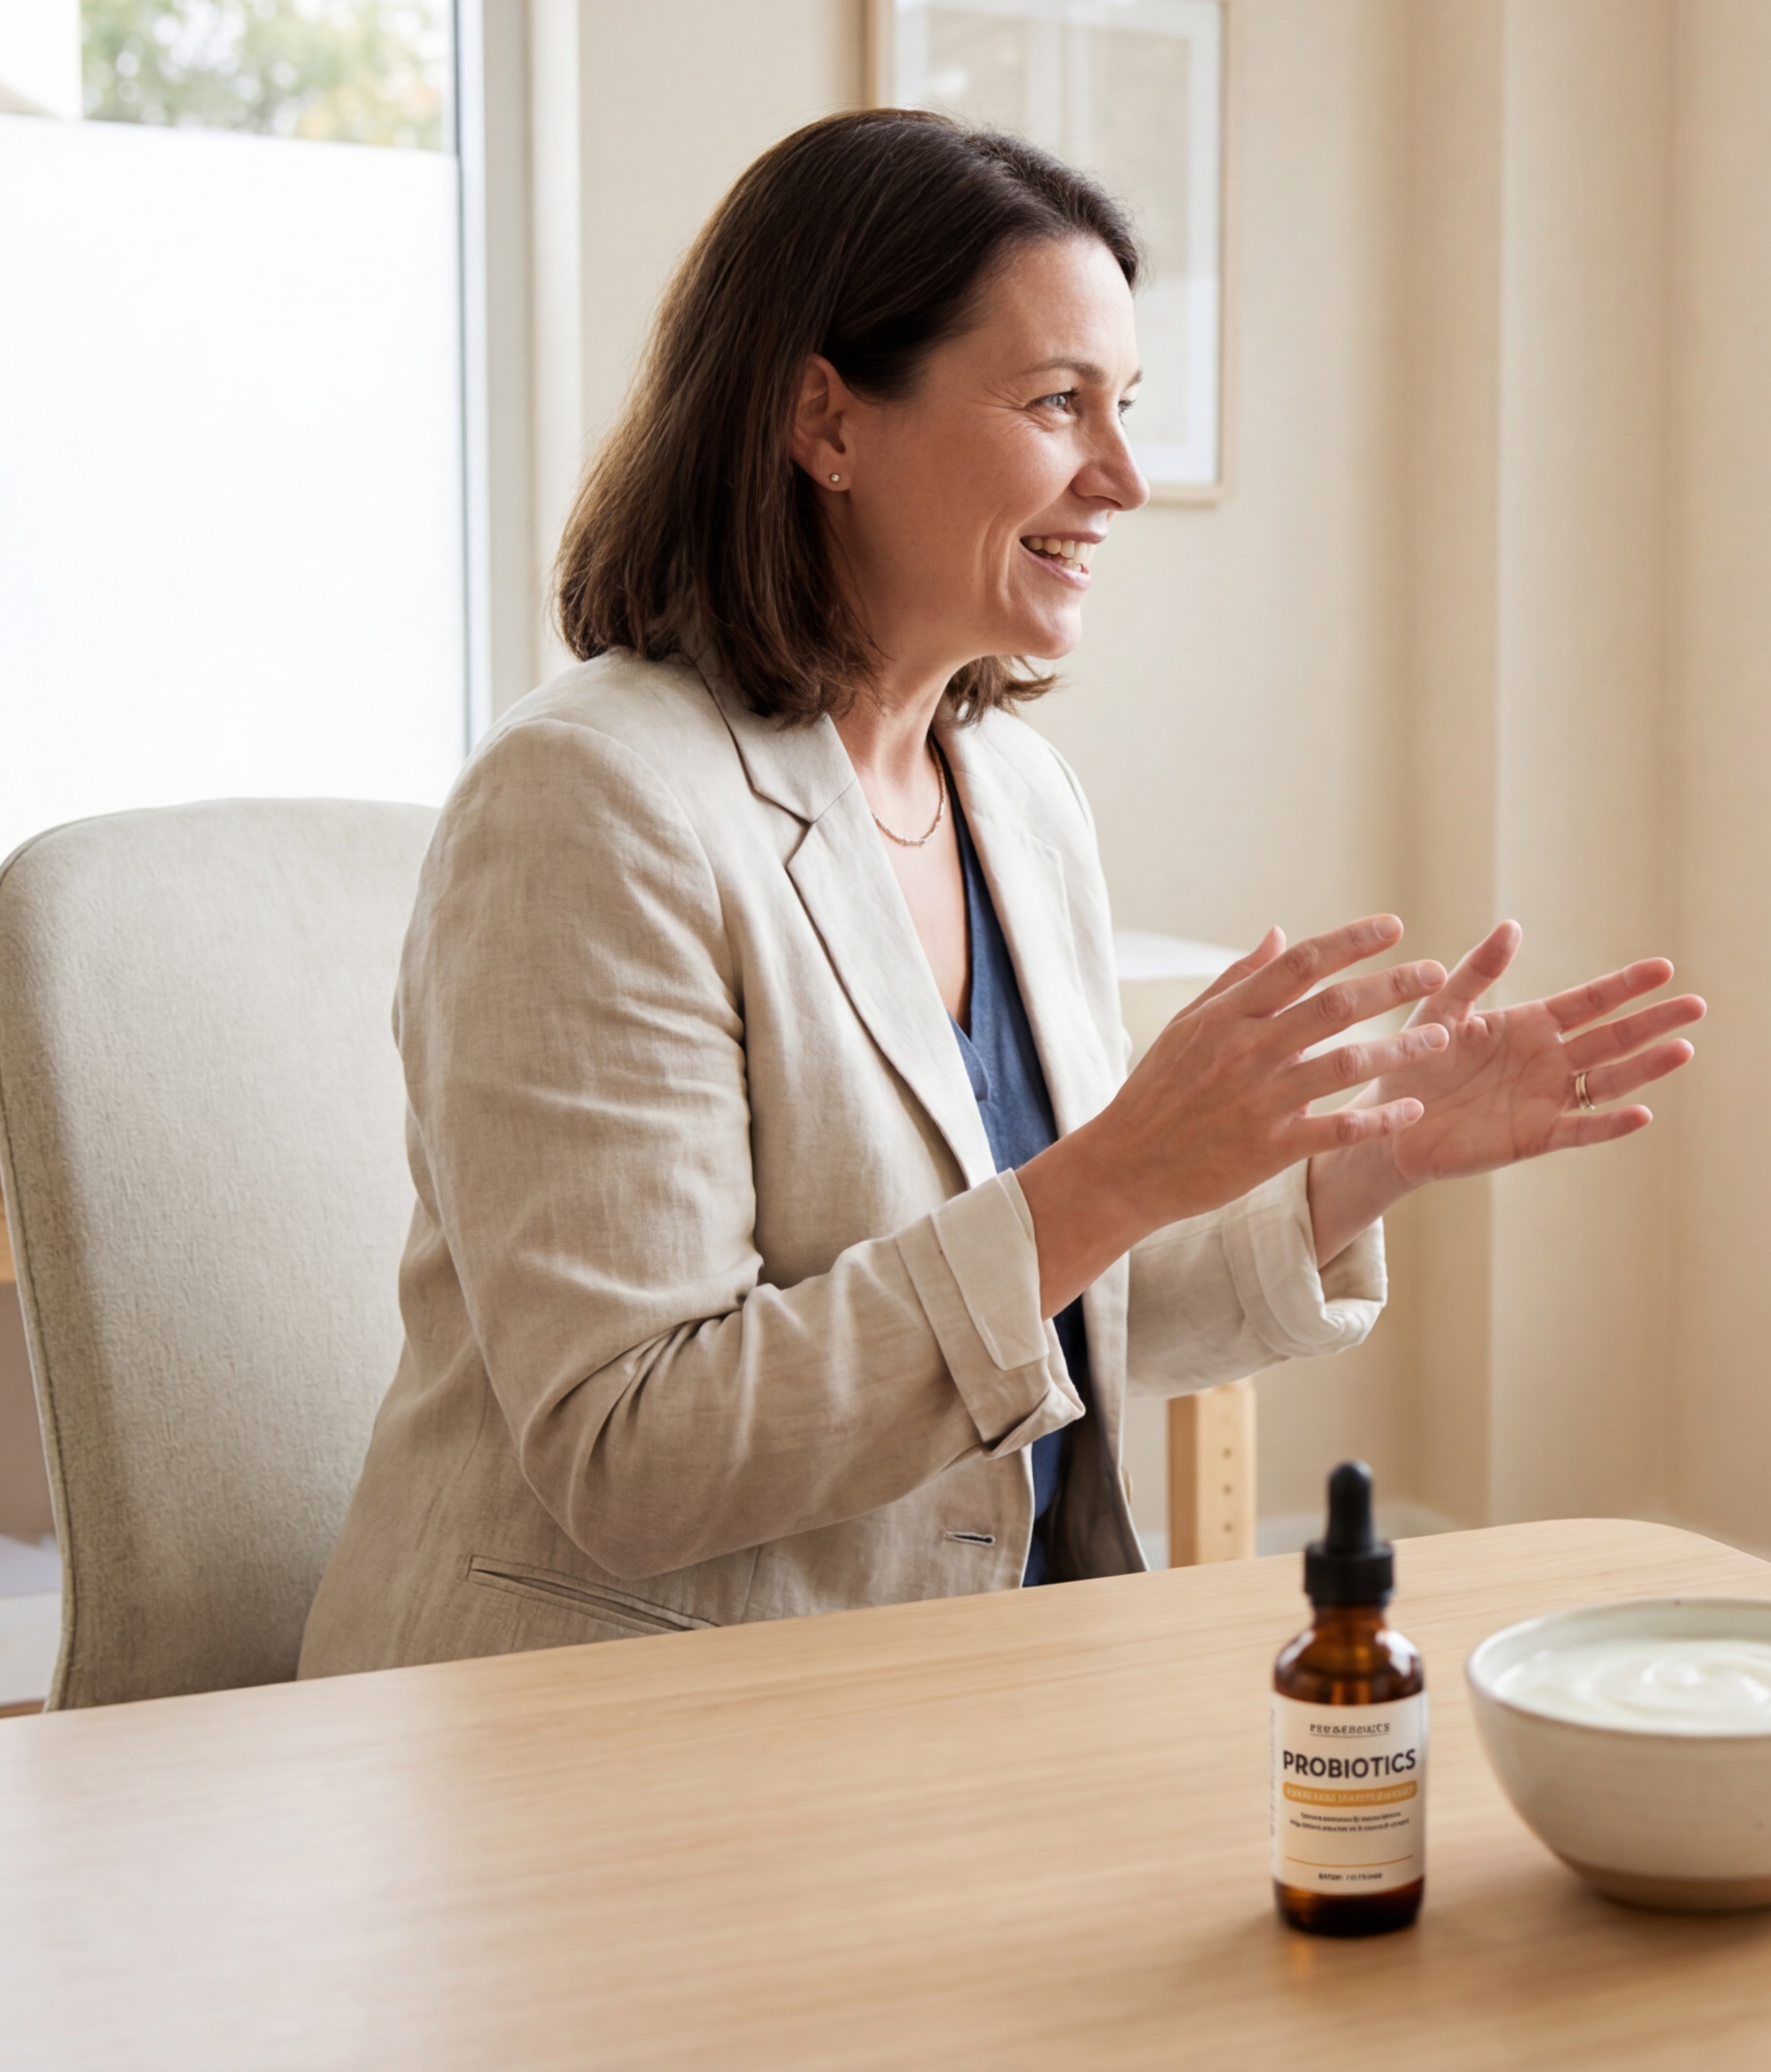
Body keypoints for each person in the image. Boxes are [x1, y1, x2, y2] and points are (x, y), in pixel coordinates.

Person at [300, 111, 1700, 1674]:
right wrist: (1107, 1177)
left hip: (970, 1680)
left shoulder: (1018, 802)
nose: (1120, 477)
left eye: (1128, 408)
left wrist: (1351, 1172)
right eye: (1056, 404)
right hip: (627, 1717)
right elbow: (636, 1449)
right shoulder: (592, 801)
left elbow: (1040, 1326)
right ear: (824, 421)